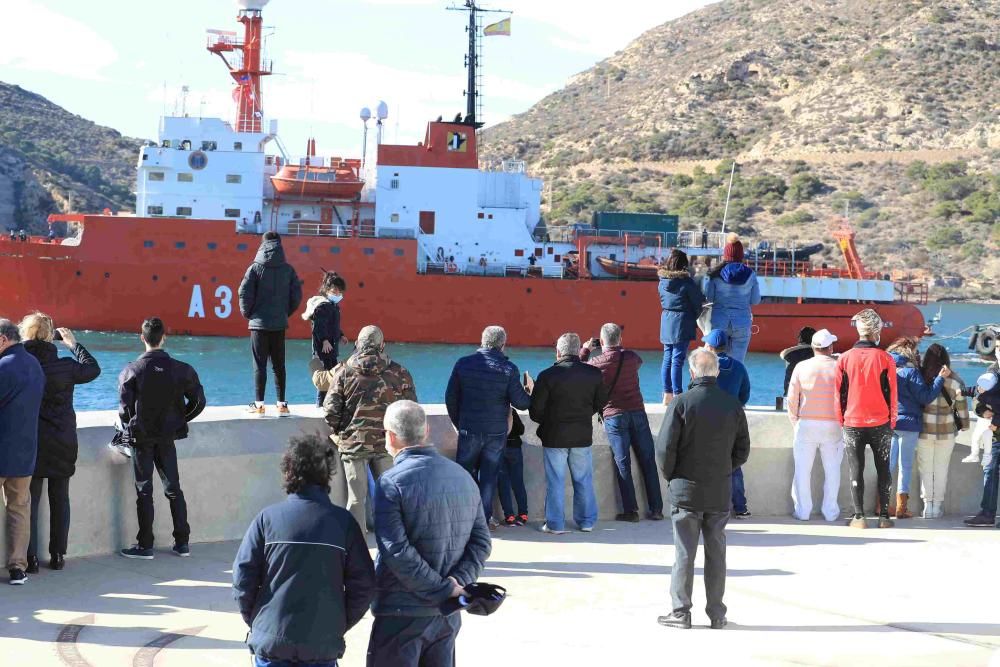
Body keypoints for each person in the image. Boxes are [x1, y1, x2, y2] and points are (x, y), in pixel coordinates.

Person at [233, 435, 376, 667]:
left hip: (271, 645)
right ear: (327, 473)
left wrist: (259, 622)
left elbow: (242, 579)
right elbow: (365, 585)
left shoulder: (266, 519)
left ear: (288, 471)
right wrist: (336, 624)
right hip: (321, 647)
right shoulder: (344, 523)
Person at [368, 401, 491, 667]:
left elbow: (395, 551)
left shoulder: (390, 483)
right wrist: (456, 583)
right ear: (425, 431)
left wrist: (443, 587)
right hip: (447, 614)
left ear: (390, 436)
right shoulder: (463, 477)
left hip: (400, 612)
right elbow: (481, 543)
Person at [656, 348, 750, 630]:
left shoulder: (682, 403)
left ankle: (681, 612)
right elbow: (742, 451)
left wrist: (672, 477)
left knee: (684, 553)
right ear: (717, 372)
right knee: (716, 553)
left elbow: (664, 450)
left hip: (686, 490)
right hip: (719, 491)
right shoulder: (733, 405)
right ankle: (717, 614)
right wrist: (723, 470)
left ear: (692, 372)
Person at [311, 325, 416, 535]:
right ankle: (393, 537)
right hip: (388, 443)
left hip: (353, 444)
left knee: (356, 498)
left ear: (358, 344)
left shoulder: (344, 372)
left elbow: (330, 411)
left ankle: (356, 545)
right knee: (390, 495)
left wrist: (342, 432)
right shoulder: (399, 372)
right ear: (382, 345)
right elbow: (410, 409)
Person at [118, 317, 206, 559]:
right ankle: (182, 542)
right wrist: (181, 419)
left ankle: (145, 545)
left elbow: (125, 411)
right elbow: (199, 402)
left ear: (142, 338)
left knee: (144, 491)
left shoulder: (131, 370)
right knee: (173, 488)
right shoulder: (182, 369)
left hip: (142, 438)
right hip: (167, 436)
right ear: (163, 337)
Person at [20, 314, 100, 573]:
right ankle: (57, 556)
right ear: (50, 335)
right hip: (63, 440)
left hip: (32, 441)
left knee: (29, 502)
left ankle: (30, 558)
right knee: (60, 499)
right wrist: (74, 345)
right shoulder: (66, 367)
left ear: (27, 334)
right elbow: (93, 369)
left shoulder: (21, 364)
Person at [446, 326, 531, 528]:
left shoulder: (463, 364)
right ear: (503, 345)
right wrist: (530, 391)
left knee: (464, 474)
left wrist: (460, 423)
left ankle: (464, 519)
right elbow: (522, 403)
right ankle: (482, 521)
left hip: (469, 429)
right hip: (496, 433)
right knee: (489, 477)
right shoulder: (509, 369)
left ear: (482, 341)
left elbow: (451, 398)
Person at [581, 323, 664, 522]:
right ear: (620, 340)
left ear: (601, 342)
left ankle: (631, 511)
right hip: (638, 413)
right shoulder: (632, 357)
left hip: (614, 416)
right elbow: (637, 363)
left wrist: (585, 350)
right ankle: (656, 510)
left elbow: (578, 369)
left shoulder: (596, 362)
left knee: (623, 463)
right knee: (648, 461)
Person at [529, 333, 607, 534]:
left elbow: (535, 411)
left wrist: (550, 420)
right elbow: (601, 403)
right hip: (582, 435)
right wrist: (582, 415)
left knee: (555, 481)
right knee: (583, 480)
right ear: (577, 349)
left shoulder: (547, 376)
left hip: (554, 437)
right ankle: (587, 521)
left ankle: (555, 524)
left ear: (558, 351)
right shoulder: (594, 374)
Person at [835, 309, 897, 529]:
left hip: (852, 422)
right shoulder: (886, 358)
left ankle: (859, 517)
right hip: (880, 422)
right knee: (884, 469)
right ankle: (884, 518)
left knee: (855, 469)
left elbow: (839, 393)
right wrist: (891, 421)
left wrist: (842, 420)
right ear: (876, 331)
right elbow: (892, 393)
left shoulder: (843, 358)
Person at [0, 318, 45, 585]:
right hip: (25, 451)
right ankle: (18, 568)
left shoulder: (3, 367)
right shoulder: (34, 365)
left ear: (3, 340)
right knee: (19, 510)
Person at [239, 231, 303, 417]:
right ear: (280, 245)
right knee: (279, 365)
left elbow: (244, 293)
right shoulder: (288, 270)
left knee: (259, 365)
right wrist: (284, 314)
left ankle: (259, 405)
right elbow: (296, 296)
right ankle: (281, 405)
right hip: (279, 324)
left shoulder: (254, 268)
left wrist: (249, 314)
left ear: (262, 244)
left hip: (258, 325)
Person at [787, 329, 844, 522]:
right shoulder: (839, 367)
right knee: (833, 470)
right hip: (834, 424)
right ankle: (830, 512)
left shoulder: (801, 366)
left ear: (813, 347)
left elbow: (792, 398)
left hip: (806, 423)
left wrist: (796, 421)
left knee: (802, 470)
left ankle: (803, 511)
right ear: (831, 347)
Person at [886, 338, 946, 519]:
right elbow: (925, 397)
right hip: (909, 423)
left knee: (887, 466)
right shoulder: (911, 372)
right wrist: (940, 379)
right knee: (905, 466)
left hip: (890, 422)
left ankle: (881, 504)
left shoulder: (888, 369)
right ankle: (901, 508)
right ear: (910, 351)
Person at [702, 329, 751, 518]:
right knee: (734, 465)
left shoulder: (705, 367)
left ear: (710, 347)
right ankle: (740, 507)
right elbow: (745, 393)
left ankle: (710, 506)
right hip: (732, 420)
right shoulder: (738, 367)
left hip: (708, 420)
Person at [915, 344, 968, 519]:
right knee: (941, 469)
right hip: (946, 433)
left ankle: (927, 506)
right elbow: (961, 408)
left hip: (924, 431)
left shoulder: (921, 379)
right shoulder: (955, 382)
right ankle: (937, 506)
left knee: (926, 469)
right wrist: (965, 425)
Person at [703, 234, 761, 362]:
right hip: (742, 323)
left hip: (719, 323)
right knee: (737, 365)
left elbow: (709, 297)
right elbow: (755, 300)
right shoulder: (751, 274)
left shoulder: (715, 274)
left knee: (714, 363)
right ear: (741, 255)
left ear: (726, 254)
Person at [658, 249, 705, 405]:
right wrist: (696, 315)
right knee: (677, 359)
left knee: (667, 358)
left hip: (666, 320)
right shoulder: (686, 283)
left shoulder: (662, 282)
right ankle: (678, 395)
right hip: (682, 322)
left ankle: (667, 394)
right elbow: (699, 302)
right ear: (683, 265)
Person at [303, 271, 348, 407]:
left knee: (331, 376)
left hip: (330, 348)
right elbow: (318, 327)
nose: (337, 293)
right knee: (324, 377)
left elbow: (332, 326)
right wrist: (324, 340)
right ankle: (321, 403)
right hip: (324, 349)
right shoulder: (323, 306)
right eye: (334, 290)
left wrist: (340, 335)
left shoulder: (332, 306)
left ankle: (325, 402)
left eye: (339, 291)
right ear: (326, 289)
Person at [965, 363, 1000, 527]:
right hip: (994, 434)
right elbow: (977, 397)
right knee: (989, 471)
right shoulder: (992, 371)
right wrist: (981, 410)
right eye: (998, 347)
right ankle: (987, 514)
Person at [497, 410, 529, 527]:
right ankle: (523, 515)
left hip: (498, 448)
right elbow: (521, 429)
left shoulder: (492, 408)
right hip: (514, 448)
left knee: (503, 483)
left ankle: (509, 516)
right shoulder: (510, 411)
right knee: (518, 482)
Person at [779, 327, 816, 398]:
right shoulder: (818, 354)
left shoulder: (791, 354)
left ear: (800, 338)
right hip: (813, 396)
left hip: (791, 395)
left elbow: (782, 354)